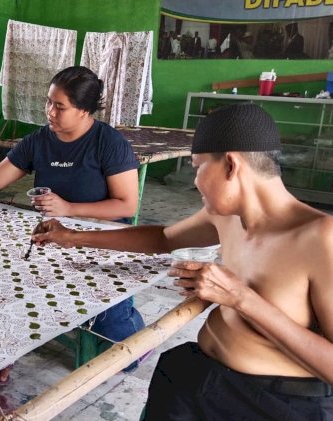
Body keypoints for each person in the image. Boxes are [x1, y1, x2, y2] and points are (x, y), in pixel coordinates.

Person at [32, 103, 333, 419]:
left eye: (197, 167)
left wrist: (242, 299)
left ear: (231, 165)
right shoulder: (227, 218)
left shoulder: (320, 238)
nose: (196, 181)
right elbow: (163, 238)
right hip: (200, 376)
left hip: (270, 405)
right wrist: (71, 237)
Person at [0, 66, 146, 383]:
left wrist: (69, 207)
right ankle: (7, 349)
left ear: (85, 110)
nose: (50, 112)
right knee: (9, 281)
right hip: (53, 236)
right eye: (49, 102)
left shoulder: (108, 143)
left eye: (59, 106)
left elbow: (126, 204)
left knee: (119, 345)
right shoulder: (40, 140)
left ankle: (129, 319)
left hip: (100, 240)